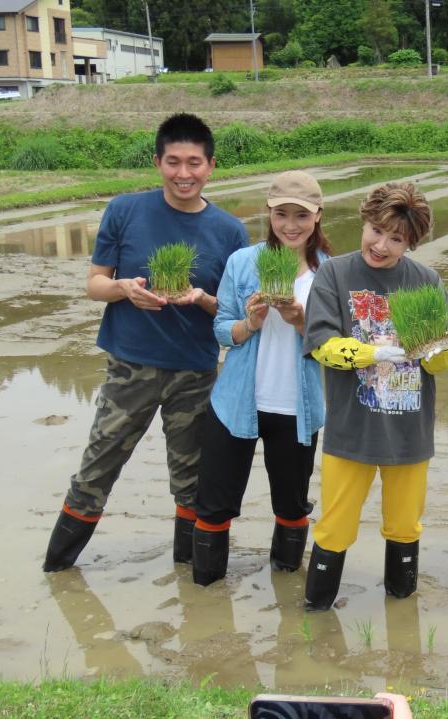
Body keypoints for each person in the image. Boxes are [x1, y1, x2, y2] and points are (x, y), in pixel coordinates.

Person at [42, 113, 249, 573]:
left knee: (192, 479)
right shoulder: (125, 210)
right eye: (173, 161)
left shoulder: (230, 231)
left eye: (193, 162)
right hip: (130, 369)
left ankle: (189, 575)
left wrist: (201, 298)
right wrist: (124, 290)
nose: (183, 173)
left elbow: (232, 314)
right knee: (97, 468)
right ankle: (56, 569)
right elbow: (95, 283)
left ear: (210, 166)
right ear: (157, 162)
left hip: (195, 373)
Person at [301, 181, 448, 610]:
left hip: (409, 430)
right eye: (376, 230)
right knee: (334, 526)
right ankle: (315, 613)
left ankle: (401, 607)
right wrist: (376, 352)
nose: (382, 245)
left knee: (405, 526)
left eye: (397, 239)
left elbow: (446, 356)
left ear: (411, 242)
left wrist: (436, 350)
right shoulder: (334, 274)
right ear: (364, 222)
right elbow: (321, 346)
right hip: (351, 429)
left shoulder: (426, 281)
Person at [191, 171, 331, 586]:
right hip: (235, 403)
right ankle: (206, 594)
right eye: (281, 214)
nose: (291, 225)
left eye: (301, 215)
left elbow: (337, 344)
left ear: (318, 216)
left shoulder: (330, 273)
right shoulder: (243, 262)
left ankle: (286, 591)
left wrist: (300, 320)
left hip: (296, 409)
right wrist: (250, 323)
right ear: (269, 213)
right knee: (214, 505)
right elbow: (223, 330)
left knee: (291, 506)